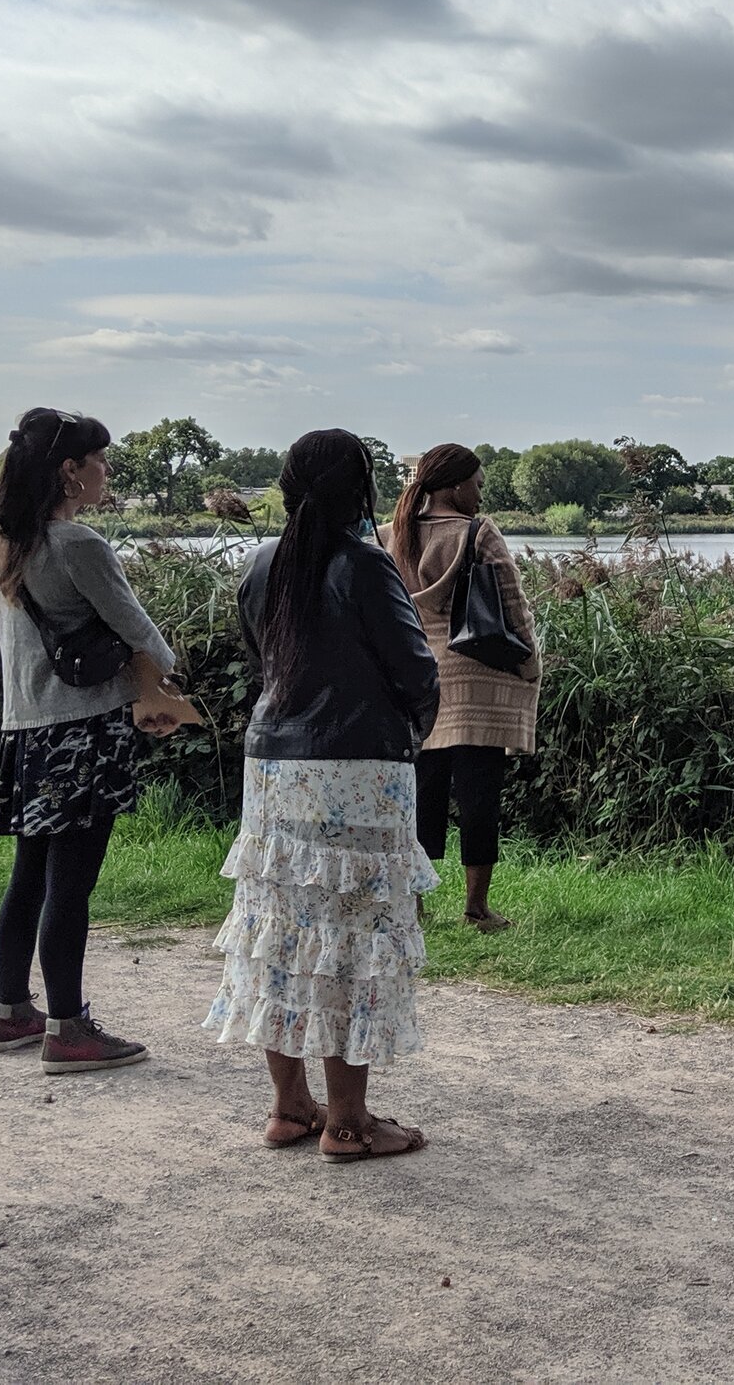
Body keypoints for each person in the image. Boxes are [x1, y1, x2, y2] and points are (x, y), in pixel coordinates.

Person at [205, 430, 440, 1160]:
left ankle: (289, 1106)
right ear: (359, 489)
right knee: (353, 940)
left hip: (273, 771)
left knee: (282, 934)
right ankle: (348, 1121)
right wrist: (410, 732)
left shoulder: (260, 564)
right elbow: (417, 671)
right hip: (360, 771)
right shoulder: (366, 565)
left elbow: (263, 660)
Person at [0, 408, 198, 1071]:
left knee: (29, 879)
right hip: (81, 733)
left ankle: (12, 1010)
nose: (108, 471)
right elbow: (144, 636)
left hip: (27, 729)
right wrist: (166, 681)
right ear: (68, 470)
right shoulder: (76, 543)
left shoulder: (12, 543)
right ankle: (68, 1027)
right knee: (71, 884)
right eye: (100, 460)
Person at [386, 444, 541, 931]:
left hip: (419, 680)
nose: (480, 492)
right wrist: (532, 663)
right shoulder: (478, 532)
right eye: (476, 483)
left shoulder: (393, 535)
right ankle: (476, 908)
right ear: (455, 485)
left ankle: (413, 903)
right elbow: (512, 605)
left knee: (421, 798)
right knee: (480, 800)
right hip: (478, 682)